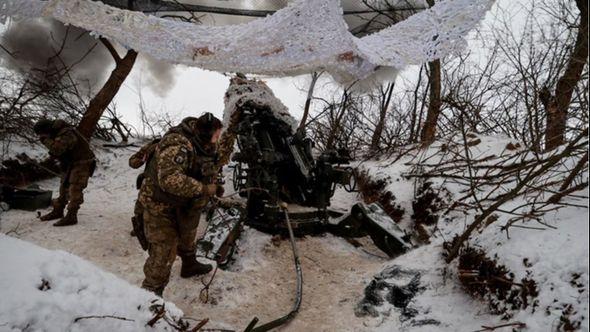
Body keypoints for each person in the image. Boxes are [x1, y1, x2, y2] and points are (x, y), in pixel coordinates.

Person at [138, 113, 224, 297]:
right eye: (217, 134)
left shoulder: (205, 144)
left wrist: (214, 186)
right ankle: (150, 296)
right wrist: (204, 188)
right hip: (160, 205)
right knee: (163, 252)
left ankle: (189, 265)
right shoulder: (177, 144)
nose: (218, 138)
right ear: (204, 133)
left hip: (185, 203)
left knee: (188, 236)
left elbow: (205, 167)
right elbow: (169, 179)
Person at [34, 119, 96, 227]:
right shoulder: (57, 132)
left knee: (75, 188)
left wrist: (46, 140)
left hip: (82, 162)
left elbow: (57, 149)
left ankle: (72, 215)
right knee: (63, 187)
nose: (42, 136)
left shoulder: (67, 133)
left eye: (42, 134)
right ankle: (58, 211)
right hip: (71, 163)